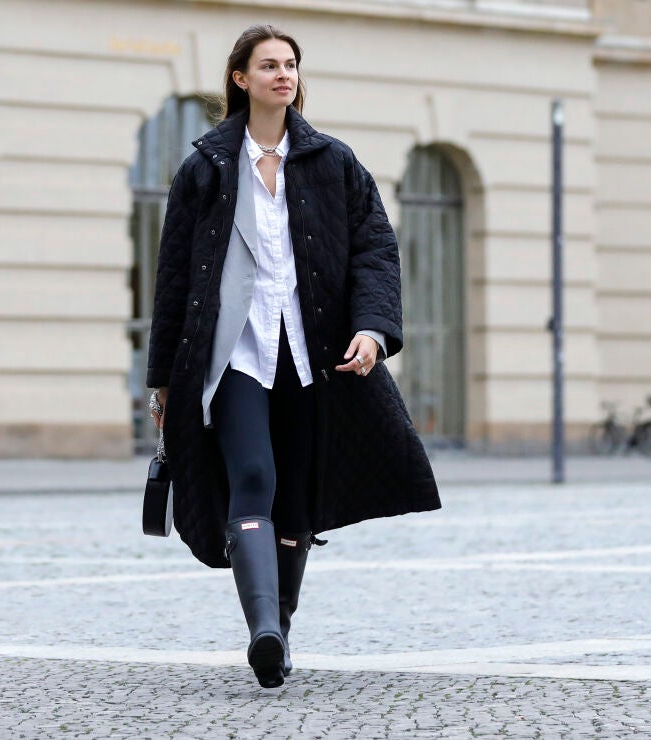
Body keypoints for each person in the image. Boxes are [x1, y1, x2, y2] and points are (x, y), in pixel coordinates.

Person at [145, 24, 441, 688]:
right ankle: (264, 630)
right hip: (236, 356)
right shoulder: (205, 169)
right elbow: (173, 280)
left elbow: (375, 251)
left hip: (314, 356)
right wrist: (163, 380)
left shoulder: (334, 163)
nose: (284, 74)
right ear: (240, 79)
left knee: (300, 500)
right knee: (252, 478)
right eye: (269, 64)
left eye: (291, 64)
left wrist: (371, 330)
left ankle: (278, 626)